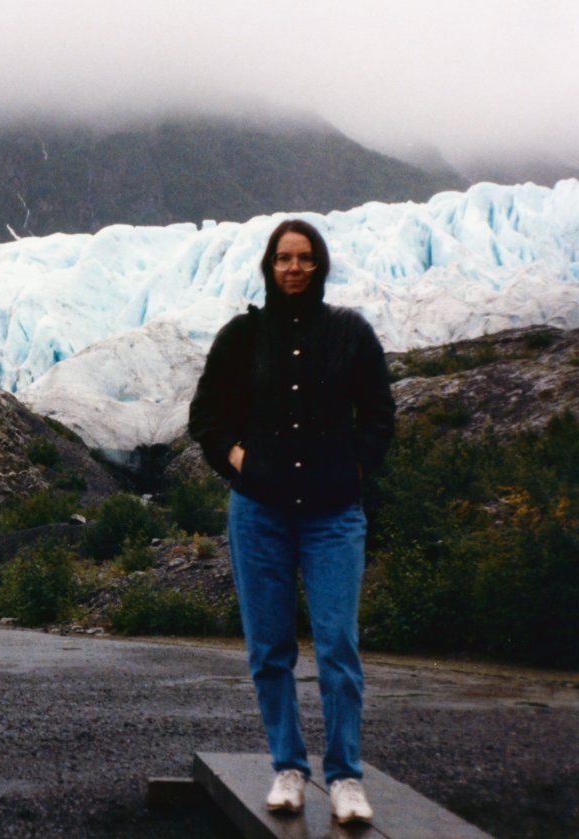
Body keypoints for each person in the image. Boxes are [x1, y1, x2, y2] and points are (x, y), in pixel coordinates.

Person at [188, 219, 395, 824]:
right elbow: (207, 414)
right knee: (270, 648)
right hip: (260, 512)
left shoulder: (350, 333)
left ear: (320, 265)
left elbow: (380, 413)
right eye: (284, 258)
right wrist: (238, 460)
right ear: (269, 266)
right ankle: (288, 766)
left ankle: (347, 777)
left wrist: (354, 468)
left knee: (337, 646)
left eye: (305, 258)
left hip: (334, 513)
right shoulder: (242, 337)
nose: (295, 268)